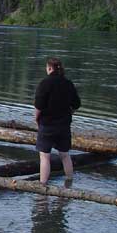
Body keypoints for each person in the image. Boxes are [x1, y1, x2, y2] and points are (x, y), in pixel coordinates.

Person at [33, 57, 81, 185]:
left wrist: (36, 118)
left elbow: (38, 105)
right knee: (65, 155)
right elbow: (76, 104)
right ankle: (69, 182)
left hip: (47, 124)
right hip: (64, 125)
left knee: (45, 156)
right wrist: (69, 113)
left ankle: (43, 184)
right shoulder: (68, 83)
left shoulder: (45, 83)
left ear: (49, 68)